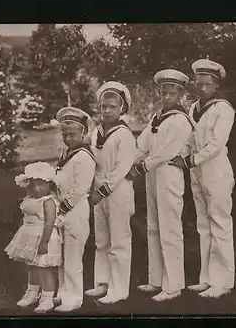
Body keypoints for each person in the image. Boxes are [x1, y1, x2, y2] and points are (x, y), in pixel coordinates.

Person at [170, 58, 236, 299]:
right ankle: (206, 278)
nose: (202, 88)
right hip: (197, 172)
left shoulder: (224, 108)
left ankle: (223, 282)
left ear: (216, 84)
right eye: (199, 84)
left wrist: (189, 161)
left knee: (219, 222)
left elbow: (216, 144)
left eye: (207, 84)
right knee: (203, 224)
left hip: (216, 171)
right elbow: (189, 140)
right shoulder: (192, 108)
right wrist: (180, 156)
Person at [127, 69, 195, 302]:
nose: (167, 96)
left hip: (169, 174)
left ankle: (174, 285)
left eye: (172, 92)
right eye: (163, 92)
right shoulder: (157, 117)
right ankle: (156, 279)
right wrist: (134, 159)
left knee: (170, 228)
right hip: (152, 175)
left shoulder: (181, 120)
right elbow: (142, 142)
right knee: (153, 226)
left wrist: (142, 165)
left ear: (181, 94)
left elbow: (167, 151)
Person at [84, 81, 136, 305]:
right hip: (98, 191)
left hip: (117, 192)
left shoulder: (124, 135)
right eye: (103, 106)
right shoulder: (96, 132)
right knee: (102, 240)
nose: (106, 111)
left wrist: (101, 191)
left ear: (122, 109)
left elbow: (121, 170)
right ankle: (102, 282)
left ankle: (119, 288)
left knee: (119, 241)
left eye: (112, 107)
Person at [52, 106, 97, 312]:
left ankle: (74, 297)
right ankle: (63, 292)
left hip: (75, 211)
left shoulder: (84, 156)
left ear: (83, 133)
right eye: (65, 134)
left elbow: (80, 189)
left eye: (73, 134)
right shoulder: (67, 153)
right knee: (62, 256)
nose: (68, 138)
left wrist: (61, 208)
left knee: (73, 257)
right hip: (63, 210)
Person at [4, 161, 64, 313]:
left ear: (49, 185)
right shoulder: (29, 198)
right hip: (30, 235)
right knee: (32, 266)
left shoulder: (48, 201)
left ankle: (47, 297)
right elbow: (25, 218)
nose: (37, 188)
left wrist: (44, 242)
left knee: (44, 268)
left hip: (44, 237)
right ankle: (32, 292)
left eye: (41, 185)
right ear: (28, 185)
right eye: (33, 184)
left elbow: (50, 223)